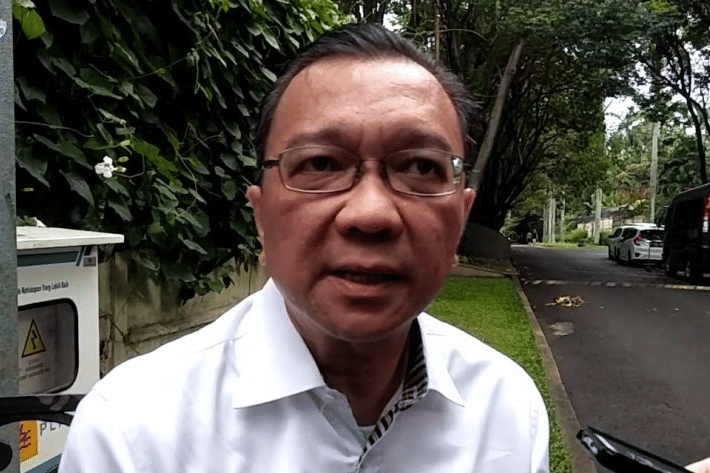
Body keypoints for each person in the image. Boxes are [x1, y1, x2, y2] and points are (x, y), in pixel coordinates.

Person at [59, 23, 549, 472]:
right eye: (320, 163)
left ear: (461, 217)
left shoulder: (506, 410)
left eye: (420, 167)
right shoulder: (132, 431)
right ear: (261, 217)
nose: (371, 215)